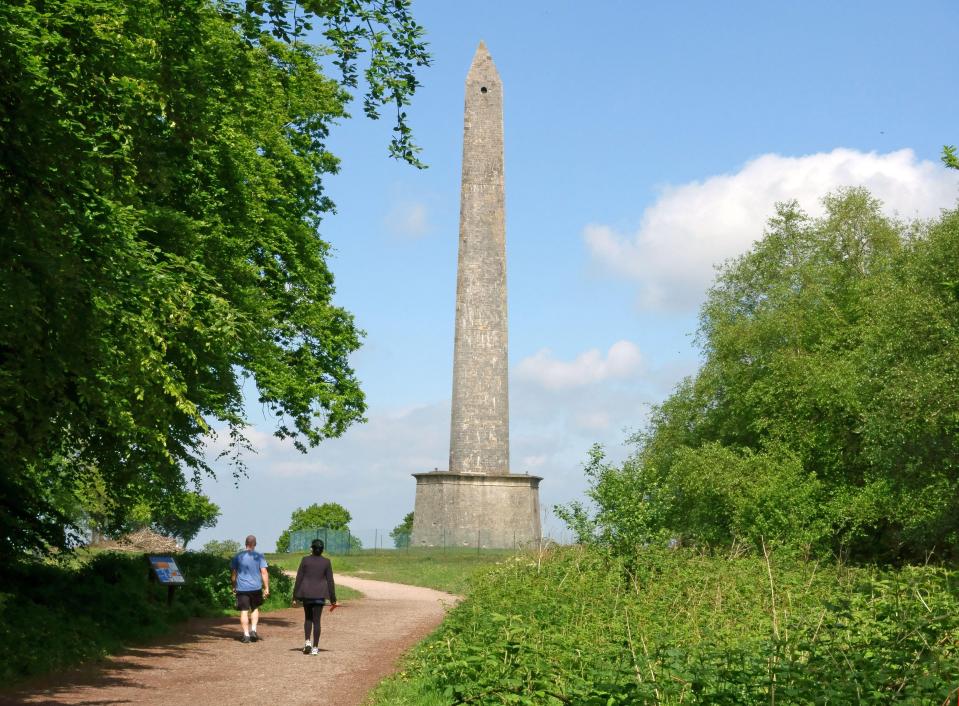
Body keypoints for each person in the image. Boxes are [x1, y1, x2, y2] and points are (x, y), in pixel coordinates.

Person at [292, 538, 337, 655]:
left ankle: (307, 642)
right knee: (317, 621)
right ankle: (315, 647)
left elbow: (299, 578)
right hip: (320, 595)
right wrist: (333, 599)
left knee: (308, 618)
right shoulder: (326, 562)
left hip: (306, 594)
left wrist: (295, 596)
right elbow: (330, 581)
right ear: (322, 550)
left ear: (312, 548)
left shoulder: (305, 560)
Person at [230, 534, 270, 644]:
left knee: (244, 611)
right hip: (256, 588)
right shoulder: (259, 556)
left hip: (242, 588)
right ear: (255, 544)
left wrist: (234, 586)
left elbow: (234, 574)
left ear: (245, 543)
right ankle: (254, 630)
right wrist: (266, 587)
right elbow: (264, 572)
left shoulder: (237, 556)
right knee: (255, 608)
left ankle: (246, 635)